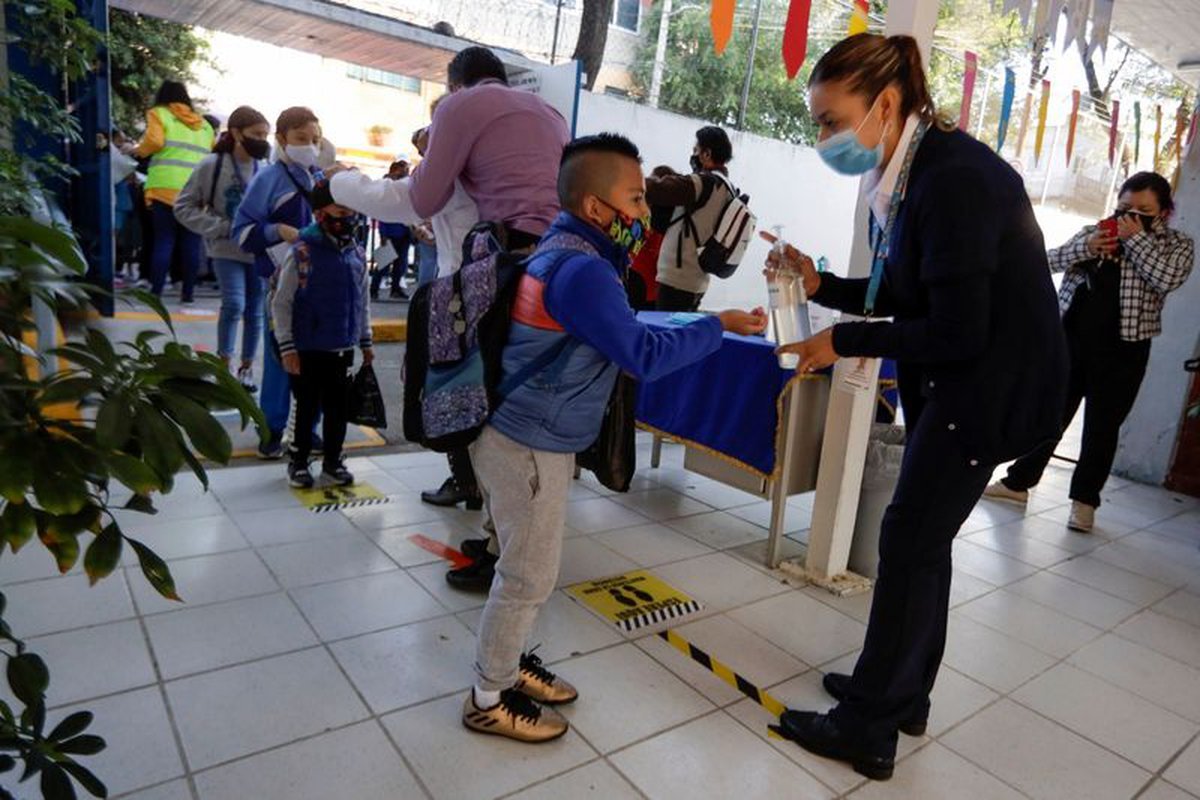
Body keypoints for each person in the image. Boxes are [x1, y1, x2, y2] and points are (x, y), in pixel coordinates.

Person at [769, 34, 1067, 781]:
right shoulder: (915, 171)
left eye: (833, 121)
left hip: (990, 385)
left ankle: (867, 726)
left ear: (887, 104)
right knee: (921, 540)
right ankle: (904, 697)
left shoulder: (952, 180)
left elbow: (957, 330)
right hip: (970, 377)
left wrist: (841, 339)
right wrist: (821, 285)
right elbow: (910, 295)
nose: (825, 139)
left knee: (907, 540)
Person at [461, 132, 767, 743]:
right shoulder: (584, 271)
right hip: (530, 444)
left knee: (528, 568)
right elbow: (641, 353)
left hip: (524, 434)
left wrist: (704, 322)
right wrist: (714, 324)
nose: (644, 212)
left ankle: (510, 661)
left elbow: (620, 326)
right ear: (598, 207)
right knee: (527, 575)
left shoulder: (564, 251)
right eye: (635, 199)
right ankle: (488, 695)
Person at [329, 46, 562, 591]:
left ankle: (509, 557)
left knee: (494, 429)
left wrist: (340, 183)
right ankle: (501, 536)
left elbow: (421, 196)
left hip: (495, 282)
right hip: (551, 275)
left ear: (456, 85)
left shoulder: (461, 107)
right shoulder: (549, 114)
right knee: (516, 417)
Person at [985, 172, 1194, 531]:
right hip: (1070, 340)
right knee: (1050, 414)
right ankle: (1018, 483)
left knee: (1103, 426)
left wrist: (1136, 240)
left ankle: (1084, 502)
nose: (1131, 216)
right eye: (1125, 207)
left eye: (1144, 210)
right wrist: (1088, 247)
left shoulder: (1176, 245)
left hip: (1125, 348)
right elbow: (1045, 261)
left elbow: (1167, 278)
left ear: (1163, 212)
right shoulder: (1096, 231)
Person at [233, 106, 325, 459]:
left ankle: (308, 430)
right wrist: (278, 231)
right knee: (279, 356)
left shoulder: (319, 179)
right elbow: (242, 232)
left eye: (315, 140)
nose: (310, 147)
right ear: (282, 139)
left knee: (317, 357)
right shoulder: (268, 179)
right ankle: (271, 429)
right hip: (279, 285)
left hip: (317, 285)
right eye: (302, 139)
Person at [272, 180, 373, 489]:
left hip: (342, 346)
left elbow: (362, 298)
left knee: (337, 409)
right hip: (306, 348)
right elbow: (281, 302)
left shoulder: (355, 252)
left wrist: (365, 339)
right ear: (319, 214)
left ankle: (332, 461)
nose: (348, 218)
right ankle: (299, 462)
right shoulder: (302, 252)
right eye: (341, 212)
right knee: (306, 407)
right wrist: (287, 348)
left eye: (352, 212)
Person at [175, 105, 272, 392]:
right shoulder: (212, 165)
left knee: (255, 311)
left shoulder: (265, 169)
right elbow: (183, 206)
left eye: (266, 135)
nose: (262, 140)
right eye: (256, 134)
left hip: (256, 250)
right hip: (225, 249)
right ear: (236, 132)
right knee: (234, 304)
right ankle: (223, 364)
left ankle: (246, 368)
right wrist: (219, 227)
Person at [132, 80, 215, 304]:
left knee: (164, 240)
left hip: (164, 188)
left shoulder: (159, 113)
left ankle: (156, 293)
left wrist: (138, 151)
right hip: (195, 192)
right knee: (190, 243)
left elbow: (155, 141)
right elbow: (210, 155)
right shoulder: (205, 126)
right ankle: (187, 294)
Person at [645, 126, 740, 311]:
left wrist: (629, 179)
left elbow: (659, 189)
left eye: (695, 150)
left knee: (667, 334)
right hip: (696, 278)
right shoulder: (728, 188)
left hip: (678, 278)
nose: (693, 155)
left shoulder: (703, 182)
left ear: (706, 154)